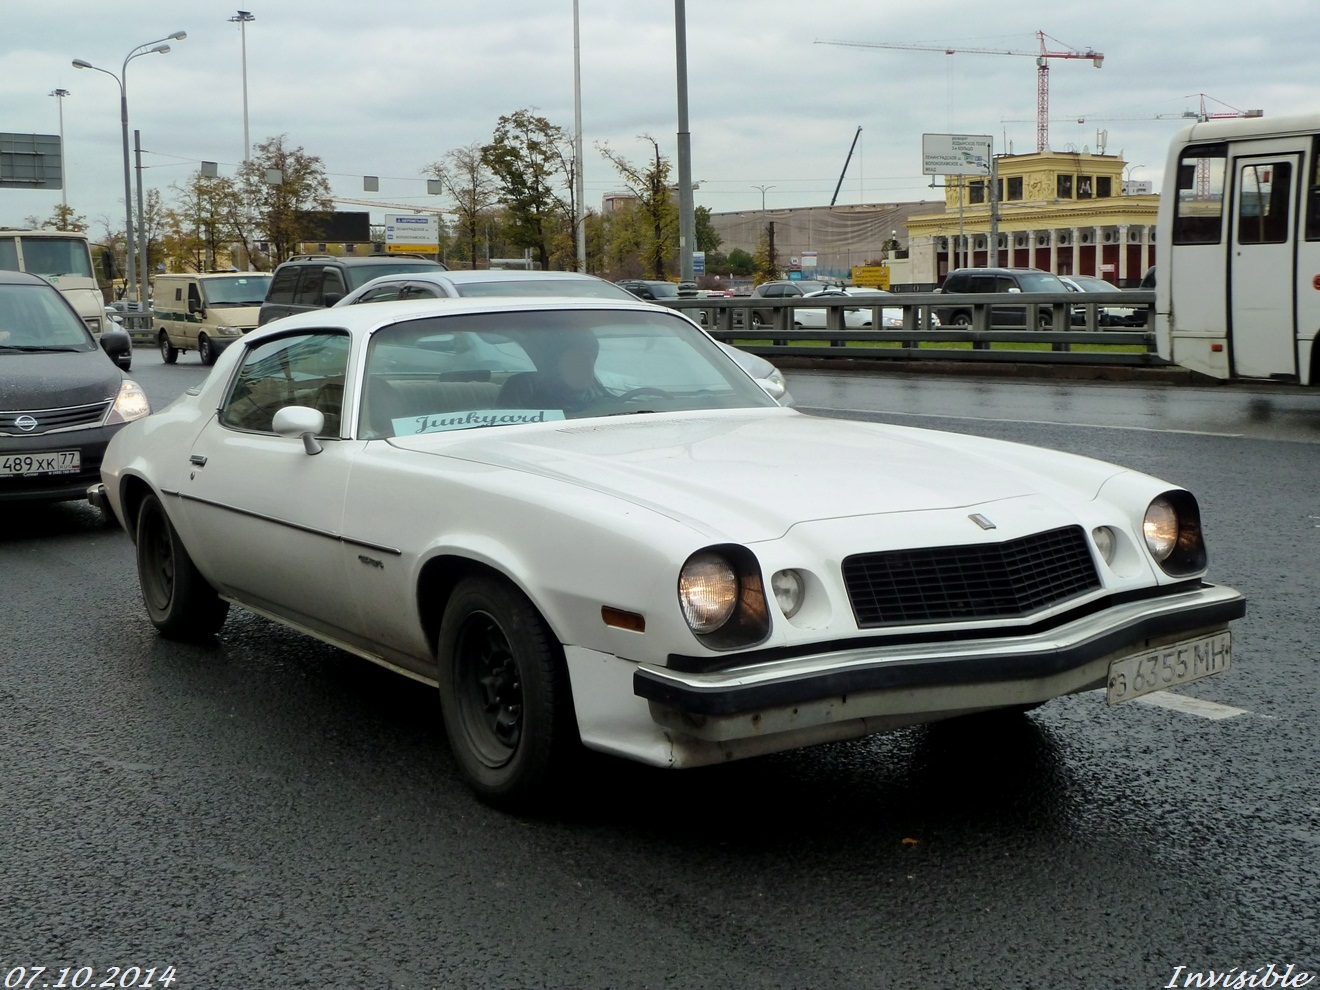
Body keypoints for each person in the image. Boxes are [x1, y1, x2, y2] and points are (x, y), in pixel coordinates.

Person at [498, 327, 609, 413]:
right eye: (576, 361)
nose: (587, 366)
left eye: (591, 359)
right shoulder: (533, 409)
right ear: (554, 366)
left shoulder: (610, 406)